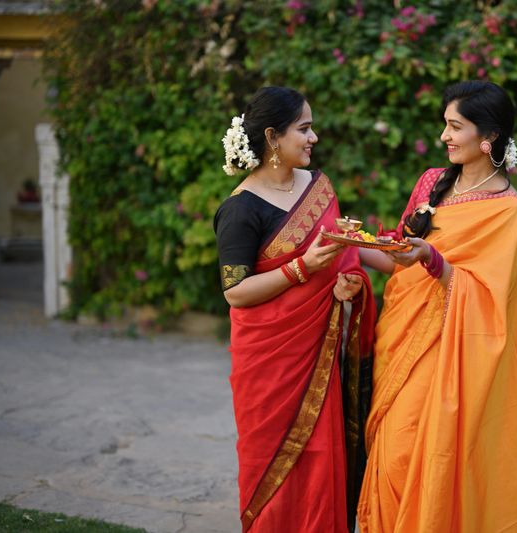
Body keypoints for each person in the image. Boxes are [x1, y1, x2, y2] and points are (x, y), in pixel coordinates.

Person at [356, 81, 517, 532]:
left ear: (488, 137)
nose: (445, 137)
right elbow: (401, 258)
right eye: (445, 125)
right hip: (400, 340)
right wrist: (348, 246)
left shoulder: (508, 213)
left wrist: (434, 260)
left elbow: (491, 303)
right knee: (388, 453)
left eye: (455, 127)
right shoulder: (433, 183)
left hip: (448, 353)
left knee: (407, 452)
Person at [213, 86, 376, 533]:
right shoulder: (240, 209)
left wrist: (364, 273)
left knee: (324, 456)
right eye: (303, 129)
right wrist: (302, 270)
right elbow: (235, 291)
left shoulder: (317, 186)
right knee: (272, 464)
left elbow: (343, 252)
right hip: (270, 366)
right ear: (272, 137)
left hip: (319, 355)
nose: (314, 138)